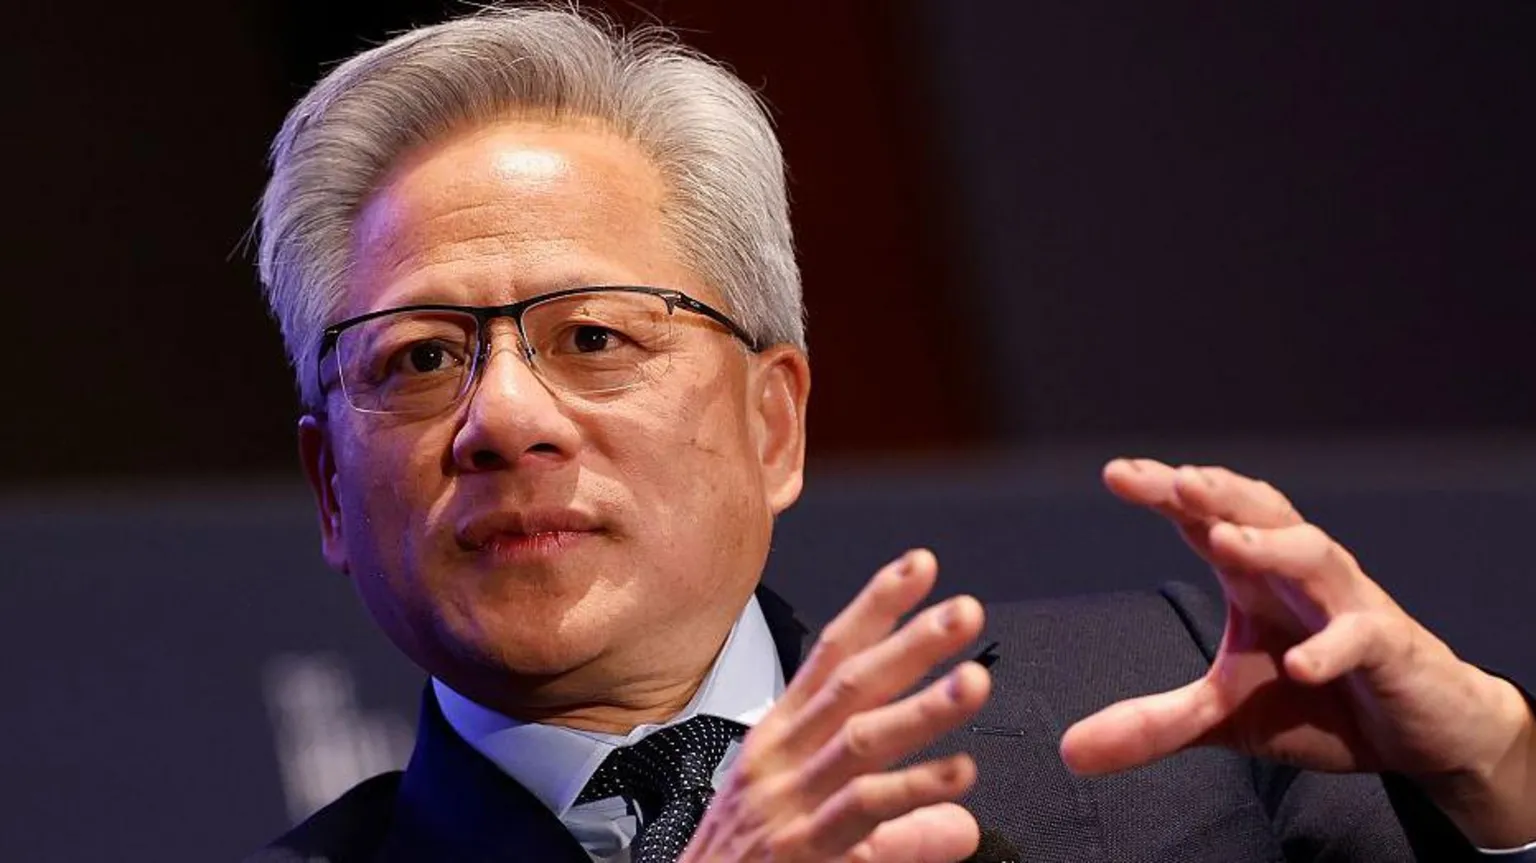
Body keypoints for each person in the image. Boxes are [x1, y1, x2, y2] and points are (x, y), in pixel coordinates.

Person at [246, 6, 1535, 861]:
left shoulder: (1164, 701)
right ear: (329, 491)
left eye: (592, 336)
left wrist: (1499, 780)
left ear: (774, 424)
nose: (504, 419)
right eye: (419, 359)